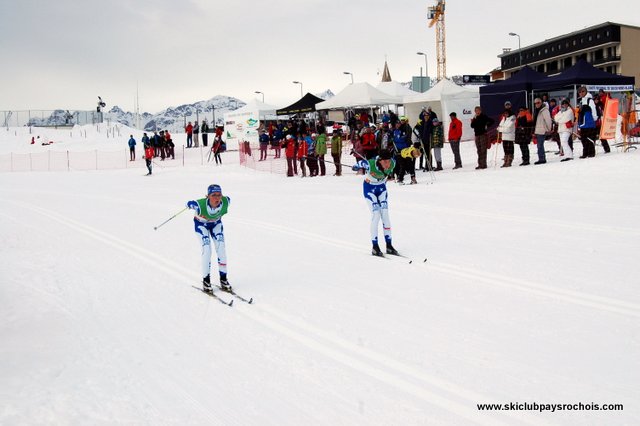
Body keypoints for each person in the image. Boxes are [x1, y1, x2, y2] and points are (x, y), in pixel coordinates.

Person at [186, 184, 232, 293]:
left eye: (219, 195)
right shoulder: (201, 205)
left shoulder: (226, 202)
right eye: (214, 195)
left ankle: (224, 279)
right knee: (207, 250)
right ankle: (206, 281)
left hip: (216, 224)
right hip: (202, 226)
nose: (217, 198)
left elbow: (228, 199)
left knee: (221, 250)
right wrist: (191, 205)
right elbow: (188, 203)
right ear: (208, 196)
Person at [355, 149, 398, 256]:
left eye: (388, 161)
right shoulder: (371, 164)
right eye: (384, 162)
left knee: (385, 215)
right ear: (379, 160)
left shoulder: (393, 163)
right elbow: (359, 163)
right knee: (376, 214)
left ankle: (389, 245)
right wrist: (356, 166)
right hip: (369, 189)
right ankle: (375, 246)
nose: (387, 164)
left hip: (382, 189)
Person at [577, 86, 598, 158]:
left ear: (586, 92)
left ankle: (591, 153)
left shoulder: (590, 100)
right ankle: (585, 153)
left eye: (583, 91)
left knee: (590, 139)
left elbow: (593, 111)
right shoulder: (580, 101)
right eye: (580, 92)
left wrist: (594, 119)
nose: (581, 93)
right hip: (583, 124)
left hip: (589, 123)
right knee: (583, 139)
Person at [532, 97, 552, 164]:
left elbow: (548, 120)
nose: (536, 104)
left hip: (542, 130)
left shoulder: (544, 110)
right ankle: (541, 158)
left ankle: (542, 159)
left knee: (540, 145)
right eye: (535, 103)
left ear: (541, 102)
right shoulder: (536, 110)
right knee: (539, 145)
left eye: (538, 102)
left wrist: (549, 129)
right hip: (537, 130)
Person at [497, 102, 516, 167]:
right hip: (504, 137)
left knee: (510, 149)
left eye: (507, 113)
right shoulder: (503, 118)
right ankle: (505, 161)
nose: (506, 114)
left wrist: (501, 129)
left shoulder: (513, 117)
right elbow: (499, 126)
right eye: (505, 113)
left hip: (510, 137)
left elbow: (508, 129)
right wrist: (501, 129)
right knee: (505, 149)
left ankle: (509, 161)